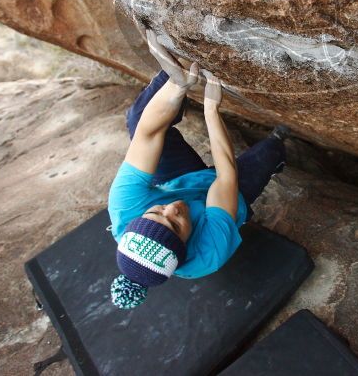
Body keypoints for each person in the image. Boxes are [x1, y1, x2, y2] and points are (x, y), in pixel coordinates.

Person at [108, 31, 289, 309]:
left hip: (177, 180)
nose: (172, 209)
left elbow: (147, 134)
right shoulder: (207, 254)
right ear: (185, 244)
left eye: (156, 213)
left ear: (135, 221)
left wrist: (176, 87)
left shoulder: (125, 209)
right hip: (226, 199)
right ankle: (279, 144)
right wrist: (211, 112)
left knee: (137, 119)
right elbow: (225, 178)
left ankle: (177, 72)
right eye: (175, 224)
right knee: (267, 153)